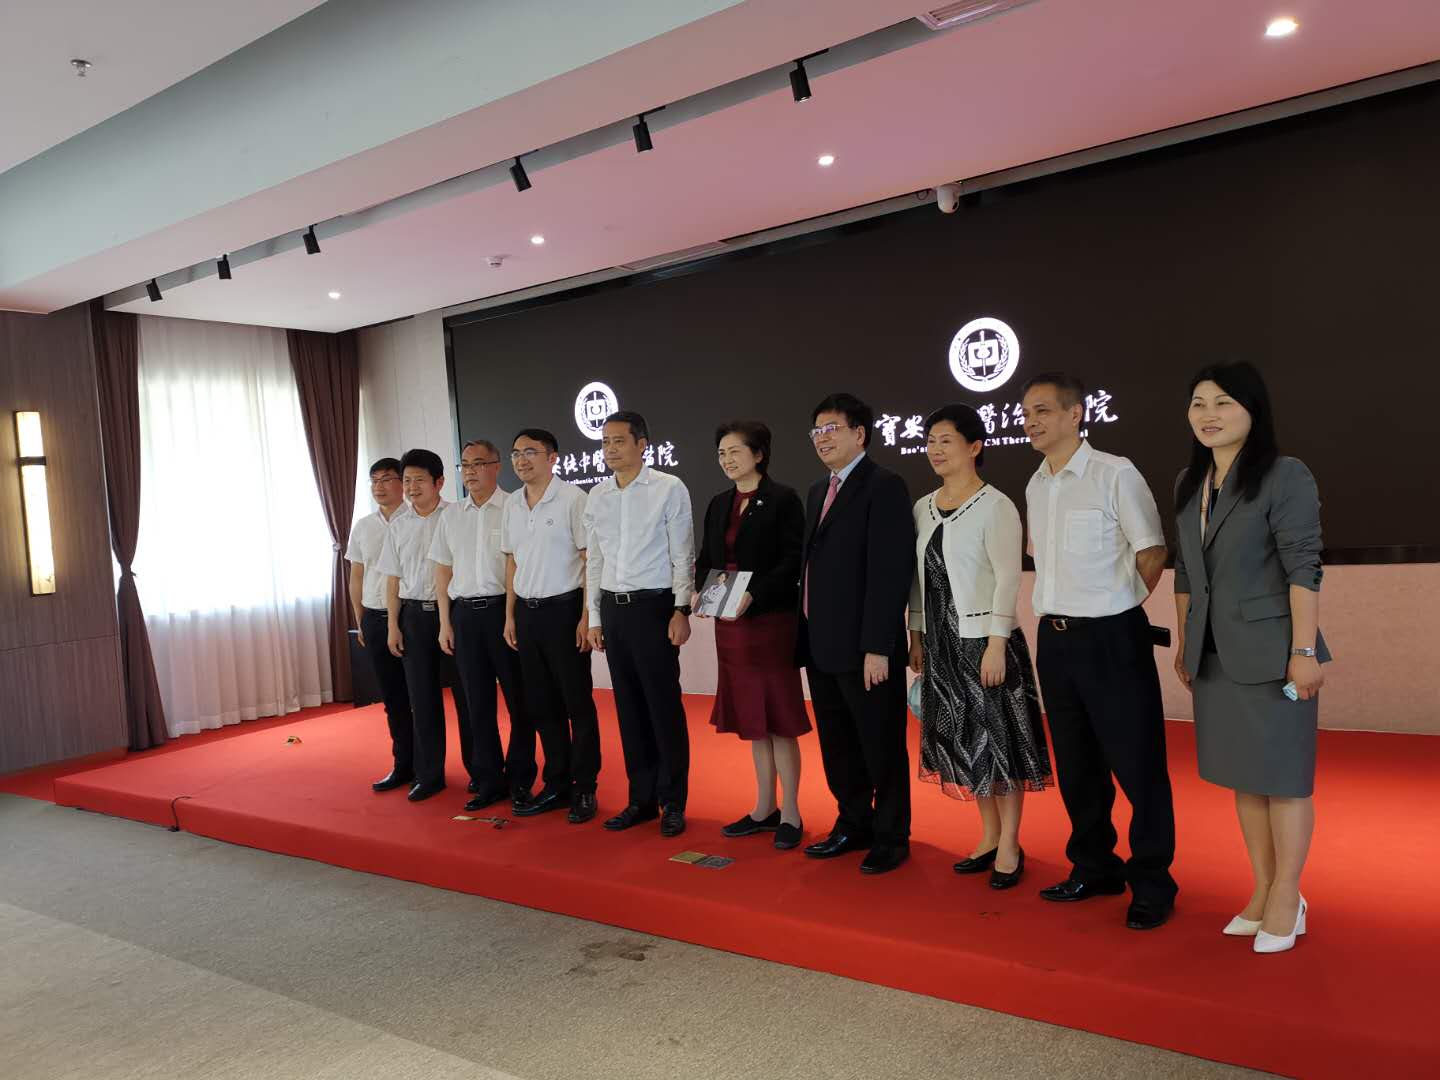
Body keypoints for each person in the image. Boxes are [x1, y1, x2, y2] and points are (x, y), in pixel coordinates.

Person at [1172, 361, 1329, 954]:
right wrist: (1186, 641)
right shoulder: (1191, 482)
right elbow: (1186, 571)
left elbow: (1303, 566)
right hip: (1214, 653)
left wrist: (1303, 650)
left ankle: (1289, 895)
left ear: (1252, 410)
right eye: (1198, 403)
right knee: (1245, 777)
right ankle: (1262, 889)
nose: (1208, 415)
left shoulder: (1284, 475)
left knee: (1283, 780)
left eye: (1223, 403)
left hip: (1274, 652)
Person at [1021, 373, 1177, 929]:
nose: (1031, 422)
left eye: (1042, 410)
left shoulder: (1115, 473)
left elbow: (1151, 551)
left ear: (1076, 413)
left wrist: (1117, 607)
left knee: (1137, 764)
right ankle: (1095, 866)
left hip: (1112, 638)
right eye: (1026, 414)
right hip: (1055, 640)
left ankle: (1152, 882)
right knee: (1078, 764)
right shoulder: (1036, 484)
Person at [907, 404, 1052, 890]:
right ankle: (988, 836)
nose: (935, 449)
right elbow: (918, 581)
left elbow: (1009, 579)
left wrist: (996, 643)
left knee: (1000, 742)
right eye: (930, 441)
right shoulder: (922, 508)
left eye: (946, 440)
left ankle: (1010, 842)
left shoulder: (996, 505)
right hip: (941, 643)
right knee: (967, 741)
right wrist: (916, 634)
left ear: (975, 447)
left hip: (986, 644)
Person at [797, 393, 914, 875]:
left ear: (859, 434)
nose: (822, 438)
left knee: (880, 743)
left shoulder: (884, 485)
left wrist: (878, 646)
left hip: (866, 648)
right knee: (838, 743)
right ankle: (852, 823)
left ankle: (891, 835)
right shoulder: (816, 491)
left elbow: (890, 572)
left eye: (832, 429)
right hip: (821, 643)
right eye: (816, 431)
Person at [694, 420, 810, 850]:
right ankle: (764, 808)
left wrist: (754, 594)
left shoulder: (782, 499)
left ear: (759, 454)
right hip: (730, 626)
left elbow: (792, 560)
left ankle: (791, 811)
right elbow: (707, 558)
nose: (726, 460)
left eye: (735, 451)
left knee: (779, 719)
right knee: (753, 720)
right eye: (721, 453)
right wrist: (701, 591)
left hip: (768, 623)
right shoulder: (718, 503)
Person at [584, 411, 696, 838]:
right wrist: (595, 616)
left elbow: (682, 554)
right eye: (605, 442)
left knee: (662, 707)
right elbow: (594, 560)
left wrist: (681, 609)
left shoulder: (668, 487)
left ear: (642, 444)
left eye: (618, 441)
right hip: (614, 610)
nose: (610, 449)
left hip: (654, 608)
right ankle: (641, 800)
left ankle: (673, 801)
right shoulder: (597, 495)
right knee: (629, 709)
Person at [432, 439, 538, 813]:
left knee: (519, 701)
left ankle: (521, 779)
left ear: (497, 466)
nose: (471, 471)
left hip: (504, 613)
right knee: (476, 703)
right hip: (464, 615)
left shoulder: (514, 507)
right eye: (465, 465)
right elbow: (442, 569)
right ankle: (489, 780)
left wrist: (511, 616)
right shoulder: (452, 515)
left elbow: (519, 564)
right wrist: (445, 622)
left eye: (478, 463)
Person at [500, 429, 600, 824]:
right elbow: (512, 561)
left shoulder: (573, 498)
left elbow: (590, 559)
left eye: (530, 452)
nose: (521, 460)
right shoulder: (512, 503)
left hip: (565, 611)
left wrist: (587, 616)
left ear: (552, 457)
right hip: (527, 613)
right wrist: (510, 615)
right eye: (516, 453)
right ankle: (557, 783)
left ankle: (585, 786)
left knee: (577, 703)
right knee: (542, 704)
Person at [377, 448, 470, 802]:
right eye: (407, 481)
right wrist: (393, 625)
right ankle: (429, 775)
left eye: (419, 480)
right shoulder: (398, 525)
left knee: (467, 696)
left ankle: (480, 771)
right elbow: (392, 579)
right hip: (413, 616)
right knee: (422, 699)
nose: (412, 487)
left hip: (454, 615)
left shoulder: (457, 517)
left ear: (439, 482)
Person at [345, 457, 415, 792]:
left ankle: (428, 766)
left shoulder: (416, 519)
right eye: (374, 481)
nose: (379, 487)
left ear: (403, 483)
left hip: (411, 615)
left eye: (387, 479)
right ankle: (403, 765)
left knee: (421, 696)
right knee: (392, 697)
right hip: (374, 616)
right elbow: (356, 576)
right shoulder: (363, 526)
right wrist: (360, 620)